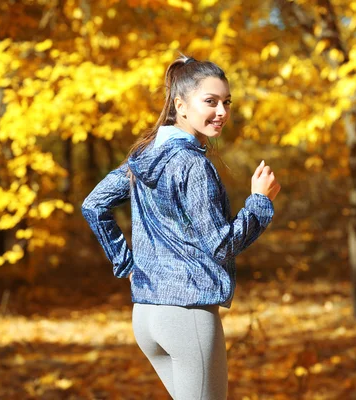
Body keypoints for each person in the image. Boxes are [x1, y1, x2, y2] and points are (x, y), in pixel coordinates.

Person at [81, 54, 281, 400]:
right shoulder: (192, 164)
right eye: (211, 101)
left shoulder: (144, 155)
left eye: (226, 102)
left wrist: (127, 265)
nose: (222, 112)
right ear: (180, 105)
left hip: (146, 316)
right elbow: (220, 244)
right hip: (187, 318)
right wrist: (260, 202)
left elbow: (93, 204)